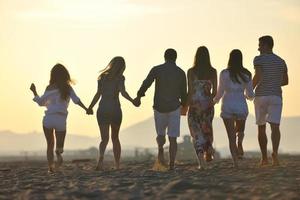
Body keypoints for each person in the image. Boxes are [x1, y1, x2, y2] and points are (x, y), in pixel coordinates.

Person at [134, 48, 187, 170]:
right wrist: (184, 105)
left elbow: (146, 83)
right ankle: (172, 165)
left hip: (159, 107)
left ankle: (160, 150)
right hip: (174, 107)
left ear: (165, 57)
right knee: (173, 138)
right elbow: (184, 92)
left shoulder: (157, 69)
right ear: (175, 58)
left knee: (160, 134)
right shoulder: (180, 72)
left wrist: (139, 95)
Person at [30, 63, 88, 173]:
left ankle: (50, 168)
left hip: (48, 119)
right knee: (59, 147)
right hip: (61, 120)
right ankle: (58, 154)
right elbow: (76, 100)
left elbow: (41, 102)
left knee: (49, 145)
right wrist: (86, 109)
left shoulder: (49, 88)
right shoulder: (67, 88)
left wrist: (34, 92)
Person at [87, 56, 138, 170]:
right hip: (115, 110)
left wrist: (90, 107)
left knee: (104, 139)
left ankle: (100, 159)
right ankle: (117, 165)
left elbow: (98, 94)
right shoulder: (120, 78)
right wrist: (132, 100)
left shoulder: (102, 78)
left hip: (103, 109)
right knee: (115, 138)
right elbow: (123, 92)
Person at [214, 49, 254, 168]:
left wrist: (214, 101)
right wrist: (247, 96)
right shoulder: (246, 74)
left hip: (227, 104)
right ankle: (240, 142)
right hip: (241, 104)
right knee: (240, 130)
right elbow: (251, 94)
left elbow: (220, 92)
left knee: (231, 136)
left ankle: (235, 163)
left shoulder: (224, 73)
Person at [253, 35, 289, 166]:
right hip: (276, 96)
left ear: (267, 45)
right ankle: (275, 153)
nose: (258, 48)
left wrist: (250, 89)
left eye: (260, 45)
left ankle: (264, 158)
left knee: (261, 127)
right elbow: (285, 81)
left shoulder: (259, 59)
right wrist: (274, 82)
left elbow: (258, 75)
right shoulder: (281, 61)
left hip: (261, 95)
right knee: (275, 127)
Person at [184, 46, 217, 170]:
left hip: (194, 105)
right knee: (206, 129)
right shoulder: (213, 71)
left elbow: (190, 90)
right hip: (208, 106)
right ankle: (208, 147)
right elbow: (215, 92)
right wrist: (208, 98)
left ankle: (201, 162)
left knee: (196, 133)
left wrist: (185, 106)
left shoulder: (191, 72)